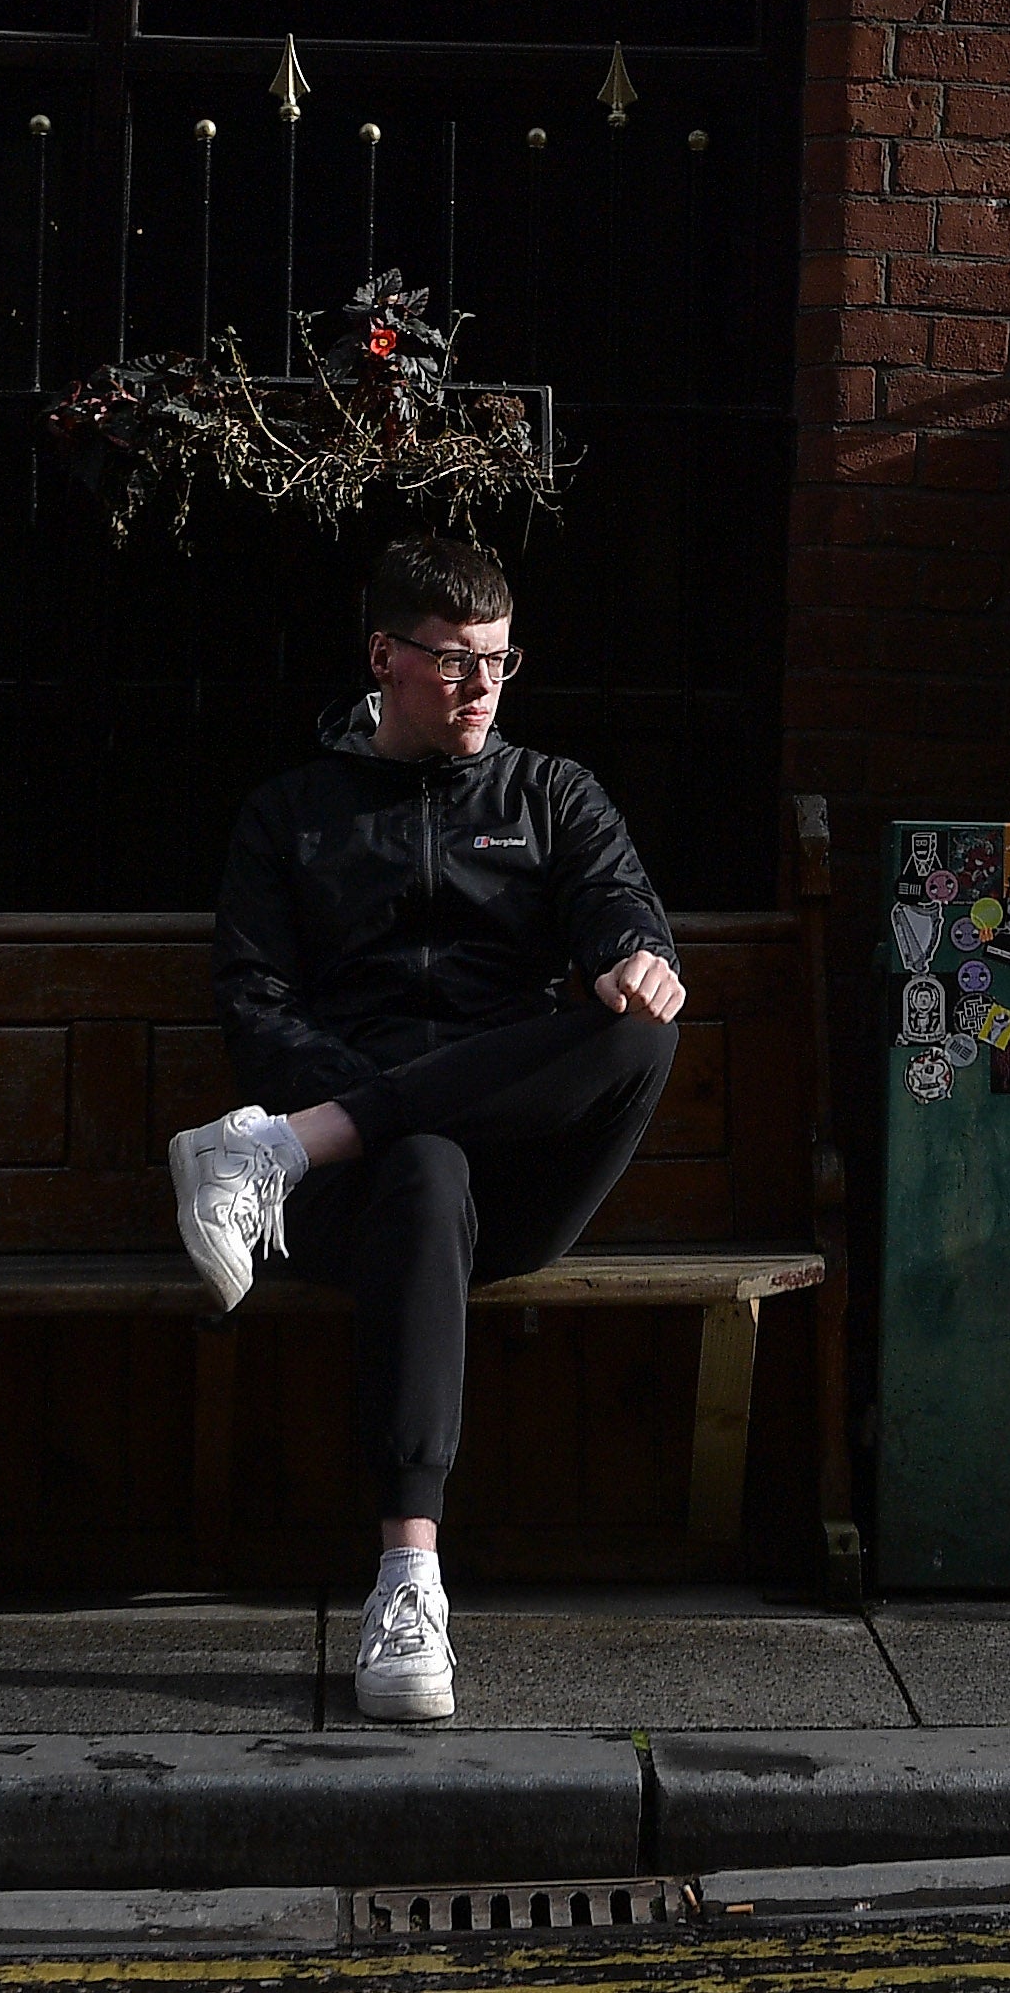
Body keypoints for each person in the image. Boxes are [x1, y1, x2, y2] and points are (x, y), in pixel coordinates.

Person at [168, 533, 683, 1728]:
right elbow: (257, 1005)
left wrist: (628, 956)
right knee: (423, 1157)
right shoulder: (291, 815)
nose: (482, 690)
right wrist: (368, 1096)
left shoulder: (551, 794)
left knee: (644, 1023)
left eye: (499, 663)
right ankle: (410, 1581)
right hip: (384, 1200)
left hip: (518, 1176)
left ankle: (285, 1146)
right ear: (383, 658)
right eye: (454, 664)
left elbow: (617, 902)